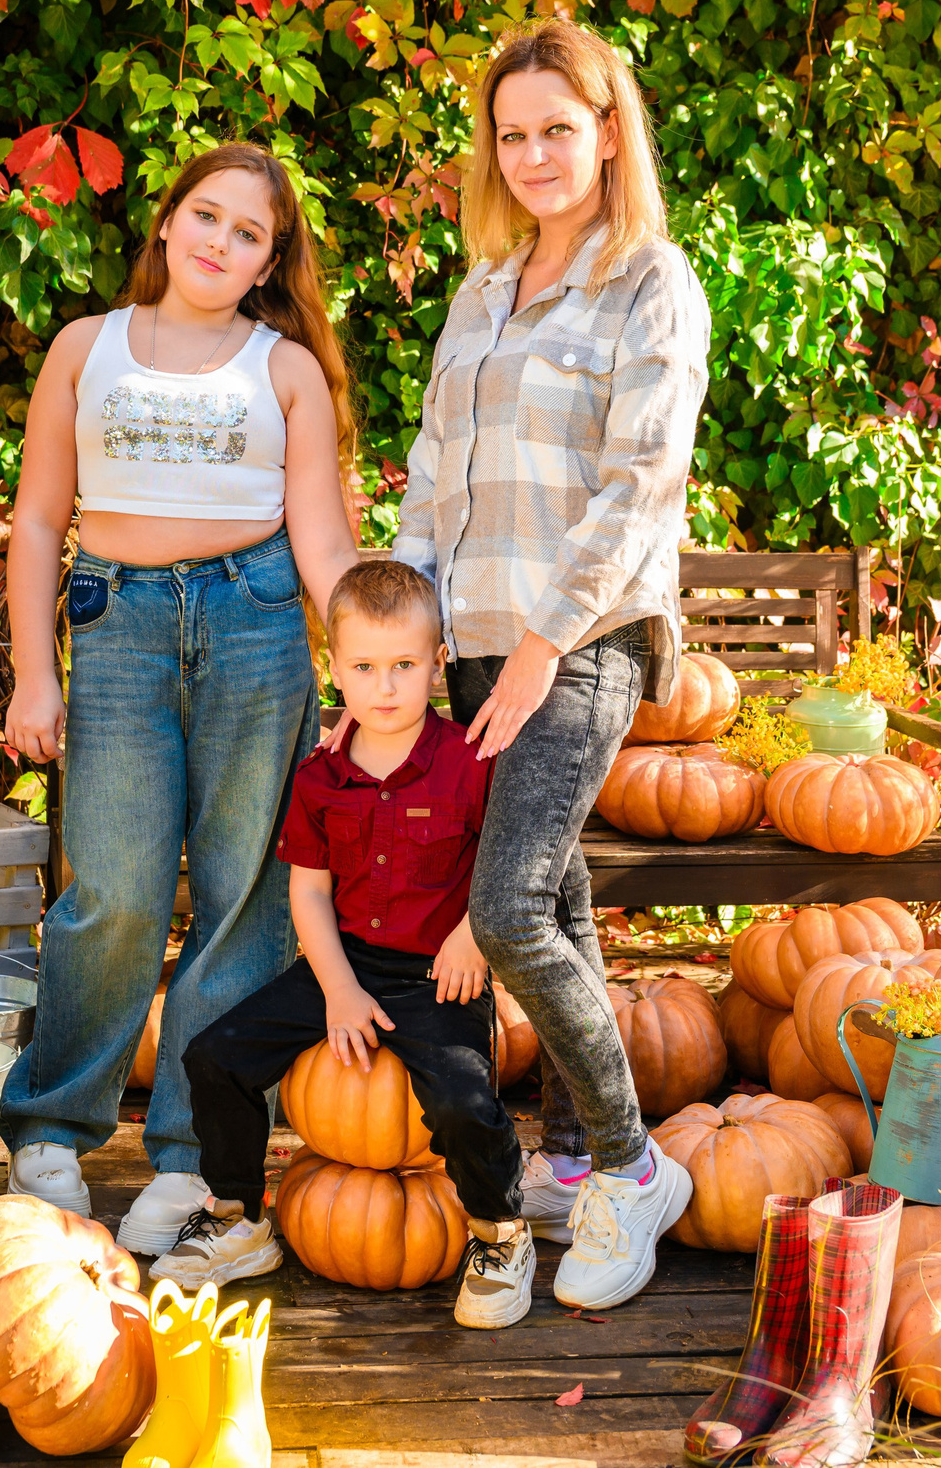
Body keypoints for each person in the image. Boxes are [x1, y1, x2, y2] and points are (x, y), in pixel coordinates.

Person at [393, 18, 711, 1311]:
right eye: (512, 133)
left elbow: (642, 488)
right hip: (472, 642)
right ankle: (575, 1155)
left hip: (581, 643)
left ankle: (633, 1166)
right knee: (562, 901)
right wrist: (409, 627)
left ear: (609, 132)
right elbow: (432, 471)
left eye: (557, 130)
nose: (532, 154)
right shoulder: (484, 287)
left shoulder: (651, 284)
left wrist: (540, 646)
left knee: (510, 908)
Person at [0, 142, 358, 1256]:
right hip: (120, 624)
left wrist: (369, 678)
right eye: (206, 215)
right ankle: (52, 1125)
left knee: (245, 891)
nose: (219, 241)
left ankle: (196, 1150)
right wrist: (35, 671)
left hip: (256, 622)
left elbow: (324, 541)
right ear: (166, 221)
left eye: (248, 234)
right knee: (111, 885)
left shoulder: (285, 370)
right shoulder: (85, 347)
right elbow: (40, 521)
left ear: (267, 264)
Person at [153, 560, 533, 1327]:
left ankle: (501, 1232)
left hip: (440, 969)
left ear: (437, 663)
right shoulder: (320, 776)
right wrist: (338, 989)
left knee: (462, 1100)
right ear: (335, 668)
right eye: (364, 667)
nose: (384, 686)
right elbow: (310, 893)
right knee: (215, 1055)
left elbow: (510, 863)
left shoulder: (471, 761)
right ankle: (238, 1218)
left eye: (404, 666)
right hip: (346, 959)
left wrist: (473, 938)